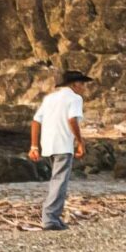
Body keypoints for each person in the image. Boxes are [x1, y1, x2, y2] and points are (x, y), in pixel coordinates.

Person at [28, 68, 89, 231]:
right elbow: (72, 120)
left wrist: (34, 146)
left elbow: (35, 121)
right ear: (75, 84)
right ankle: (50, 218)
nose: (84, 87)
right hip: (63, 144)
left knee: (56, 180)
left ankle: (53, 216)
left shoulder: (50, 98)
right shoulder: (75, 99)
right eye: (82, 84)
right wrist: (80, 142)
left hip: (47, 144)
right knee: (60, 181)